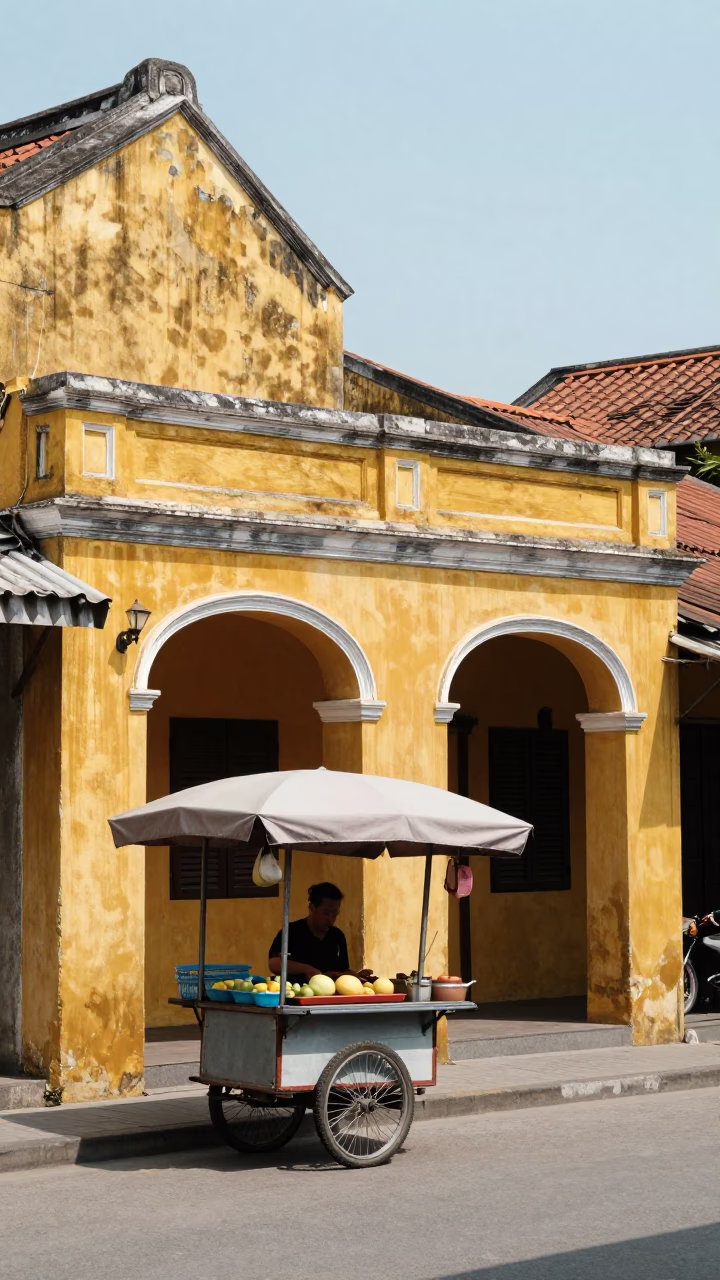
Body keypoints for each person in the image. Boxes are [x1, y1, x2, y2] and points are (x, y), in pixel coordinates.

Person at [268, 881, 373, 983]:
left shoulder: (337, 936)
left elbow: (342, 969)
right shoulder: (291, 931)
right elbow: (274, 963)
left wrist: (355, 975)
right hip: (296, 994)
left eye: (335, 914)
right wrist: (306, 969)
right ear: (312, 908)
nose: (330, 919)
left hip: (329, 995)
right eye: (326, 913)